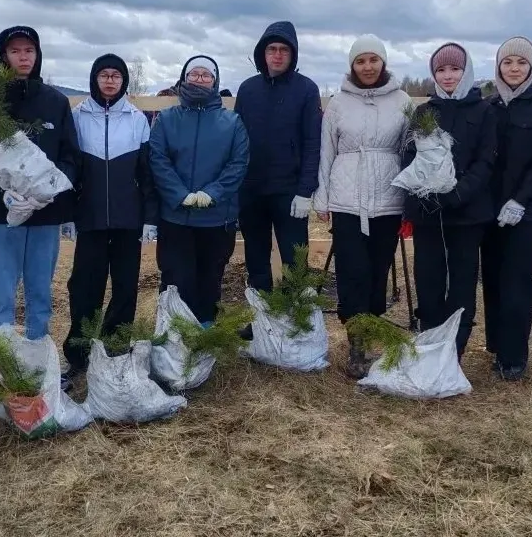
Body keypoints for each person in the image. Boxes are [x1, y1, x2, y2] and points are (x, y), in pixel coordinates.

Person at [0, 26, 80, 342]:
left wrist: (50, 191)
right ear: (4, 56)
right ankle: (4, 363)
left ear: (38, 54)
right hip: (0, 215)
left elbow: (70, 157)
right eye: (15, 50)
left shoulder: (56, 102)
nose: (23, 56)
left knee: (40, 295)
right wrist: (2, 195)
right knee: (3, 296)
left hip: (44, 216)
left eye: (29, 50)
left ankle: (35, 364)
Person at [312, 39, 411, 378]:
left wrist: (409, 199)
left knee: (378, 269)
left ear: (383, 63)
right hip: (347, 198)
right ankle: (356, 342)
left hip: (387, 197)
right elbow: (327, 150)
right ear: (352, 66)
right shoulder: (339, 103)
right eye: (360, 61)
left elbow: (409, 152)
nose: (367, 67)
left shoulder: (403, 101)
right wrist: (322, 196)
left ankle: (372, 329)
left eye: (373, 60)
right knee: (352, 270)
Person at [62, 54, 158, 372]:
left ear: (123, 81)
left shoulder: (135, 119)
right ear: (94, 78)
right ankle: (79, 354)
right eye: (103, 74)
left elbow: (147, 172)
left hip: (128, 220)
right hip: (89, 219)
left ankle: (115, 349)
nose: (109, 81)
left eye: (116, 75)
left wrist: (149, 218)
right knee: (84, 286)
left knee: (125, 285)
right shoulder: (77, 117)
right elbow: (70, 169)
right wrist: (68, 213)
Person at [480, 37, 532, 381]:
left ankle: (515, 355)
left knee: (516, 279)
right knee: (492, 276)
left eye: (521, 63)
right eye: (507, 63)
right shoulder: (489, 105)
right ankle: (497, 346)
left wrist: (521, 198)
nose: (514, 69)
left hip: (524, 209)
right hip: (488, 208)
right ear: (498, 67)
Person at [404, 42, 497, 359]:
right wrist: (420, 193)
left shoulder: (484, 111)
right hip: (429, 215)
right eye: (441, 70)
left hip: (467, 215)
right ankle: (429, 348)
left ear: (466, 71)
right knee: (428, 280)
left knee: (461, 284)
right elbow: (410, 156)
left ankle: (453, 352)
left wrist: (458, 193)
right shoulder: (424, 112)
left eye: (454, 69)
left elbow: (486, 161)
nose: (448, 76)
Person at [149, 56, 249, 324]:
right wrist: (179, 194)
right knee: (175, 279)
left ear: (215, 82)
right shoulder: (167, 120)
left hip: (217, 218)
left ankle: (204, 336)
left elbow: (238, 164)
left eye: (207, 75)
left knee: (209, 280)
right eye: (194, 74)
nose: (200, 79)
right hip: (176, 217)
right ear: (184, 78)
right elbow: (158, 160)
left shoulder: (232, 123)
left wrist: (212, 193)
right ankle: (173, 337)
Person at [234, 21, 322, 292]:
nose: (278, 54)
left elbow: (312, 142)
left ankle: (295, 325)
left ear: (293, 54)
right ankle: (263, 322)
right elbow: (237, 141)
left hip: (290, 192)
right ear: (263, 52)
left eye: (284, 49)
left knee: (295, 262)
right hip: (252, 191)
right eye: (272, 48)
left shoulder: (306, 90)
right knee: (256, 260)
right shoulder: (248, 90)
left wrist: (305, 191)